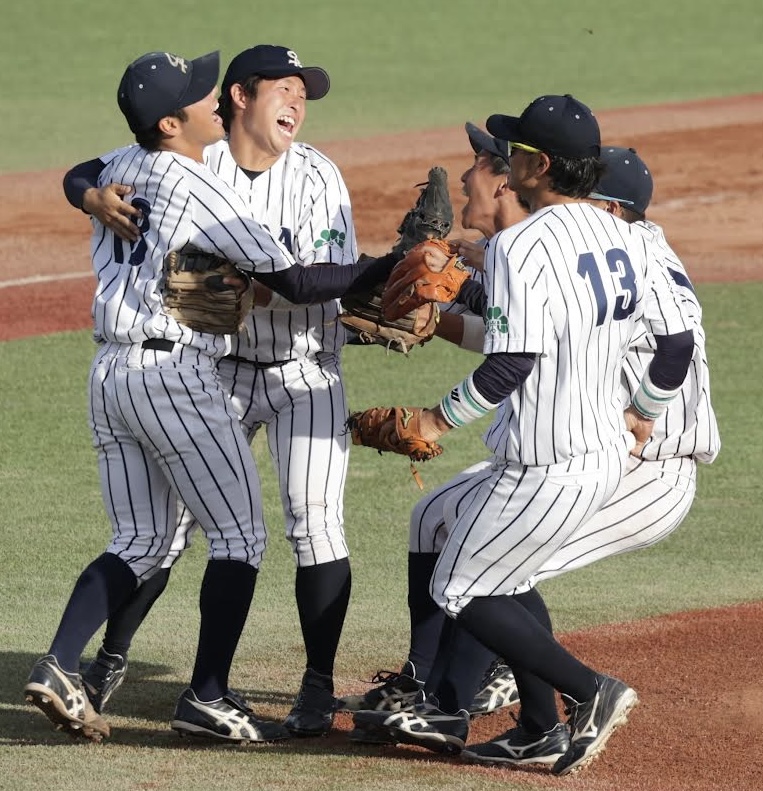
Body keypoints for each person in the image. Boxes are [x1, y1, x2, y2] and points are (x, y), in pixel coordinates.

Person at [24, 48, 402, 744]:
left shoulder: (125, 164)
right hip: (182, 373)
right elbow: (299, 283)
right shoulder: (200, 182)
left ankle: (56, 665)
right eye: (202, 97)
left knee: (137, 535)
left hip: (112, 373)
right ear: (174, 121)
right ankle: (204, 694)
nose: (212, 104)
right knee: (239, 535)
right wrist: (392, 262)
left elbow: (83, 171)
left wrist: (85, 193)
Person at [351, 95, 697, 776]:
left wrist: (434, 417)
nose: (503, 163)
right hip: (599, 454)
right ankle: (539, 723)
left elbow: (511, 363)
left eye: (511, 152)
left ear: (537, 165)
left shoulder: (520, 245)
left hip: (547, 460)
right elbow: (676, 342)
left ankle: (591, 689)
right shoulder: (625, 239)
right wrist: (644, 411)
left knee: (464, 589)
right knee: (497, 577)